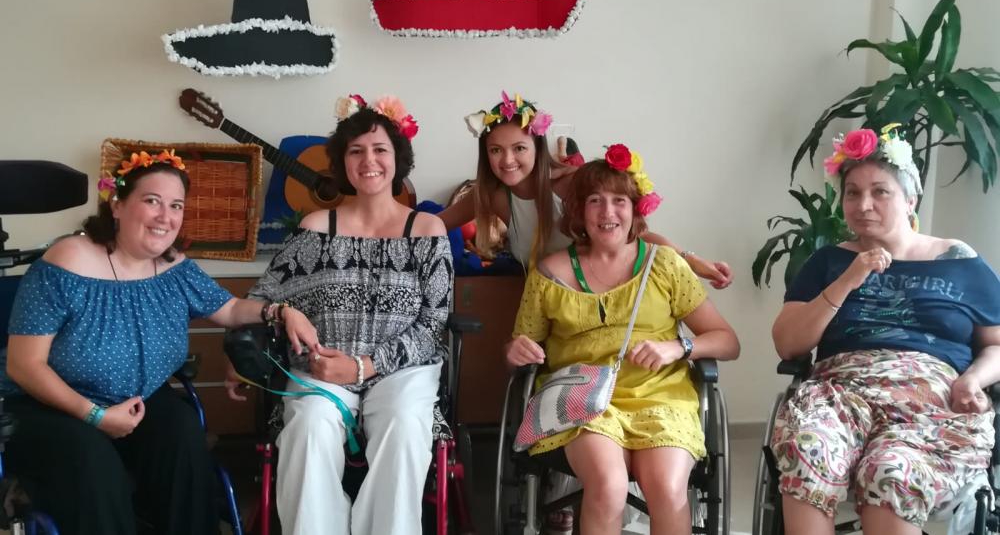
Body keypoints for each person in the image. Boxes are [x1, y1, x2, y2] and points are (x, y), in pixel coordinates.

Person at [0, 150, 319, 535]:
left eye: (176, 205)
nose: (165, 216)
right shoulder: (66, 262)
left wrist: (280, 311)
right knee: (93, 463)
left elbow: (231, 309)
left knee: (182, 433)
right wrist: (95, 416)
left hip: (139, 400)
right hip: (50, 406)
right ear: (117, 205)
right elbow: (25, 365)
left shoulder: (173, 266)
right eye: (152, 201)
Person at [231, 94, 453, 535]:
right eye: (356, 151)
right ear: (341, 163)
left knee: (404, 427)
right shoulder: (317, 227)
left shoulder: (427, 230)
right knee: (308, 428)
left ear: (398, 159)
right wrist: (242, 348)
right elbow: (264, 294)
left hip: (402, 370)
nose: (368, 161)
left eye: (380, 149)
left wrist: (366, 365)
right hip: (322, 365)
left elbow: (433, 324)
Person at [769, 125, 1000, 535]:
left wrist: (973, 380)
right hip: (839, 394)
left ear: (911, 199)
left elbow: (996, 344)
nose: (864, 205)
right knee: (810, 447)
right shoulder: (828, 262)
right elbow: (788, 344)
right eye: (852, 193)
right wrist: (848, 280)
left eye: (880, 192)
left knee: (892, 470)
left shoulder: (960, 261)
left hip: (931, 402)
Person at [504, 150, 740, 535]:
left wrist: (678, 348)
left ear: (635, 209)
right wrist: (516, 350)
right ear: (578, 211)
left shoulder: (665, 265)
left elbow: (727, 341)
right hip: (585, 400)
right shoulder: (549, 274)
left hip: (662, 397)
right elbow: (521, 348)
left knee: (668, 490)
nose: (607, 212)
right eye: (594, 201)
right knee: (608, 486)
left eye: (619, 200)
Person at [437, 90, 733, 289]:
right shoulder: (494, 195)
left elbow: (636, 236)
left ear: (538, 148)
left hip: (604, 299)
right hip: (548, 309)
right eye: (496, 150)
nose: (507, 160)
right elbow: (435, 224)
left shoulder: (571, 183)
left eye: (519, 148)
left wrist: (692, 260)